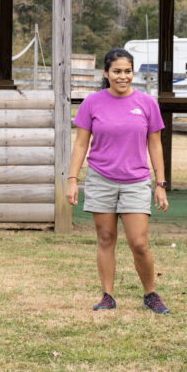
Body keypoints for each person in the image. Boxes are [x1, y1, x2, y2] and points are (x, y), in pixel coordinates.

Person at [66, 48, 170, 314]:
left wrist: (160, 184)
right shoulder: (92, 103)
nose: (123, 77)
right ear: (105, 73)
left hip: (136, 181)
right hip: (101, 179)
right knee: (105, 238)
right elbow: (80, 145)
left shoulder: (147, 103)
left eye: (127, 71)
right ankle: (108, 296)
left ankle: (150, 294)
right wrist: (72, 179)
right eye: (117, 71)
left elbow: (155, 146)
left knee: (139, 243)